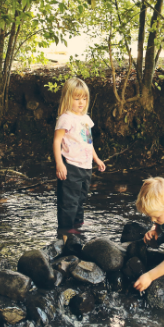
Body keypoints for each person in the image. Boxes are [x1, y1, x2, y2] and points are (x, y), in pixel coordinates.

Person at [53, 77, 106, 236]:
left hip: (86, 166)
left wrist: (96, 159)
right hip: (71, 166)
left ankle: (77, 226)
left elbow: (88, 142)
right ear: (68, 98)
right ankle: (65, 231)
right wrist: (59, 164)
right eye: (77, 99)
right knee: (69, 201)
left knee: (81, 199)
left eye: (84, 98)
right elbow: (56, 142)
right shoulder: (65, 118)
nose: (81, 102)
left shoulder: (85, 119)